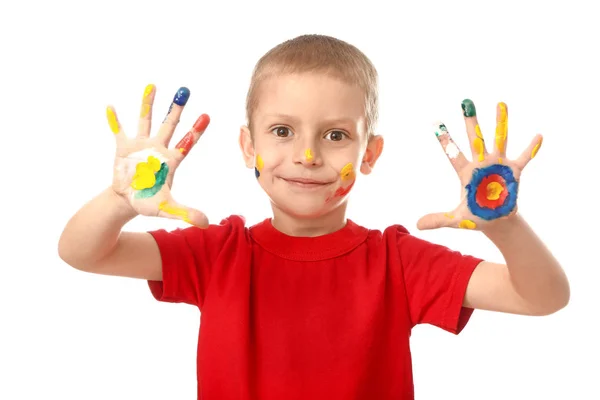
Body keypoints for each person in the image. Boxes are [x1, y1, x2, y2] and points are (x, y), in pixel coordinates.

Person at [58, 34, 570, 399]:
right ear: (247, 144)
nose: (307, 155)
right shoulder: (216, 251)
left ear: (369, 155)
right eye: (282, 131)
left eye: (336, 135)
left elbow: (542, 297)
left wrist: (504, 224)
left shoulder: (397, 261)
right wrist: (121, 198)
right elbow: (82, 251)